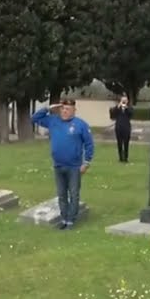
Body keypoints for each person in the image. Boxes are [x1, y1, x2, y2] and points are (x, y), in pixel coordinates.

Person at [30, 99, 95, 230]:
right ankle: (64, 219)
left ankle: (71, 221)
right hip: (58, 165)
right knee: (61, 195)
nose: (64, 111)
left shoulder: (80, 124)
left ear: (74, 111)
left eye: (68, 109)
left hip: (74, 167)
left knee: (74, 194)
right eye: (63, 109)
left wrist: (86, 162)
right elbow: (34, 118)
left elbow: (89, 144)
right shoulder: (53, 121)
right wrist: (49, 108)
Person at [108, 95, 134, 163]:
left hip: (126, 128)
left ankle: (126, 158)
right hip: (118, 128)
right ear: (120, 100)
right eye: (123, 100)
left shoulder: (129, 108)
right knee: (119, 143)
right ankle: (120, 158)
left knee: (126, 143)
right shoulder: (117, 108)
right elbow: (112, 114)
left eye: (125, 100)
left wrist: (126, 108)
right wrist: (118, 106)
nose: (124, 101)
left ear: (127, 101)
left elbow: (131, 114)